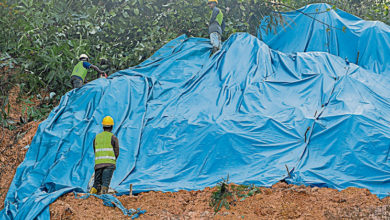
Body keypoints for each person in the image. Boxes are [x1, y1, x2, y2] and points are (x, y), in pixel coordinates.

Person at [90, 116, 120, 194]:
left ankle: (91, 197)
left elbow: (95, 150)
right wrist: (112, 159)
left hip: (98, 164)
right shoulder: (113, 137)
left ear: (103, 126)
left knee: (96, 184)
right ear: (112, 127)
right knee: (105, 183)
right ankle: (103, 198)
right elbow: (116, 152)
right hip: (109, 164)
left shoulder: (97, 137)